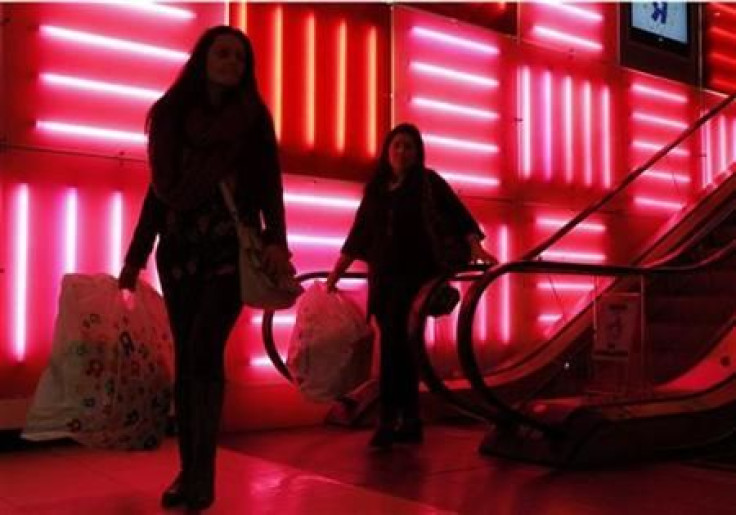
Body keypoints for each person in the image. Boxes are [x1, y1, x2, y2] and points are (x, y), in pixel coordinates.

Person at [118, 25, 294, 510]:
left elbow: (269, 185)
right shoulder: (171, 115)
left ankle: (204, 477)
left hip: (228, 252)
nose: (231, 62)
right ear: (203, 58)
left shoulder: (252, 119)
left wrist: (277, 238)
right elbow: (159, 191)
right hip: (177, 252)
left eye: (240, 57)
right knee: (187, 359)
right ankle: (187, 472)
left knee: (203, 350)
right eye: (223, 53)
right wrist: (135, 256)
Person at [325, 123, 497, 449]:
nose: (402, 152)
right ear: (387, 151)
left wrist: (476, 249)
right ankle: (409, 419)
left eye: (408, 147)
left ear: (418, 153)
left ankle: (391, 421)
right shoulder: (377, 191)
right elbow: (359, 234)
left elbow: (461, 219)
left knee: (395, 349)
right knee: (400, 349)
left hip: (416, 277)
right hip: (384, 281)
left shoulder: (427, 183)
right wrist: (336, 272)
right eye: (397, 146)